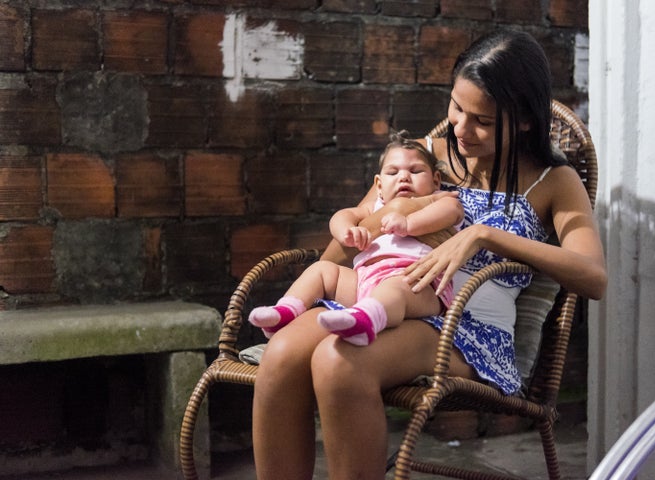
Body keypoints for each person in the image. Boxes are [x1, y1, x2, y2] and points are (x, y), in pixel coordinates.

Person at [251, 29, 607, 480]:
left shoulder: (554, 181)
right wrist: (387, 214)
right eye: (457, 107)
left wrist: (485, 236)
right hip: (379, 297)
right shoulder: (423, 157)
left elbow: (593, 277)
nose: (460, 129)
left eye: (482, 120)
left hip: (466, 329)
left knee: (338, 363)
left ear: (523, 121)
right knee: (281, 355)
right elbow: (347, 245)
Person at [247, 132, 464, 346]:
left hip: (418, 284)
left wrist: (409, 224)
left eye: (416, 171)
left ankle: (365, 321)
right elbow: (342, 216)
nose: (404, 177)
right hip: (363, 281)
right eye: (392, 172)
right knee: (321, 270)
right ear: (379, 185)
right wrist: (347, 231)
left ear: (436, 180)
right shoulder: (374, 208)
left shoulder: (440, 200)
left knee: (394, 289)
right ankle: (286, 311)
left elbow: (450, 212)